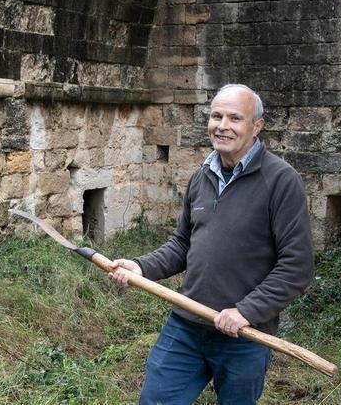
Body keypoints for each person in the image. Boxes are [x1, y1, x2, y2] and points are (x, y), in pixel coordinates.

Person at [108, 84, 314, 405]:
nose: (222, 126)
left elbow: (296, 266)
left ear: (256, 126)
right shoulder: (201, 175)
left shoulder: (281, 181)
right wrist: (141, 267)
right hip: (187, 325)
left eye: (235, 118)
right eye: (216, 116)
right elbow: (182, 244)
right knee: (156, 400)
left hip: (245, 336)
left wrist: (246, 311)